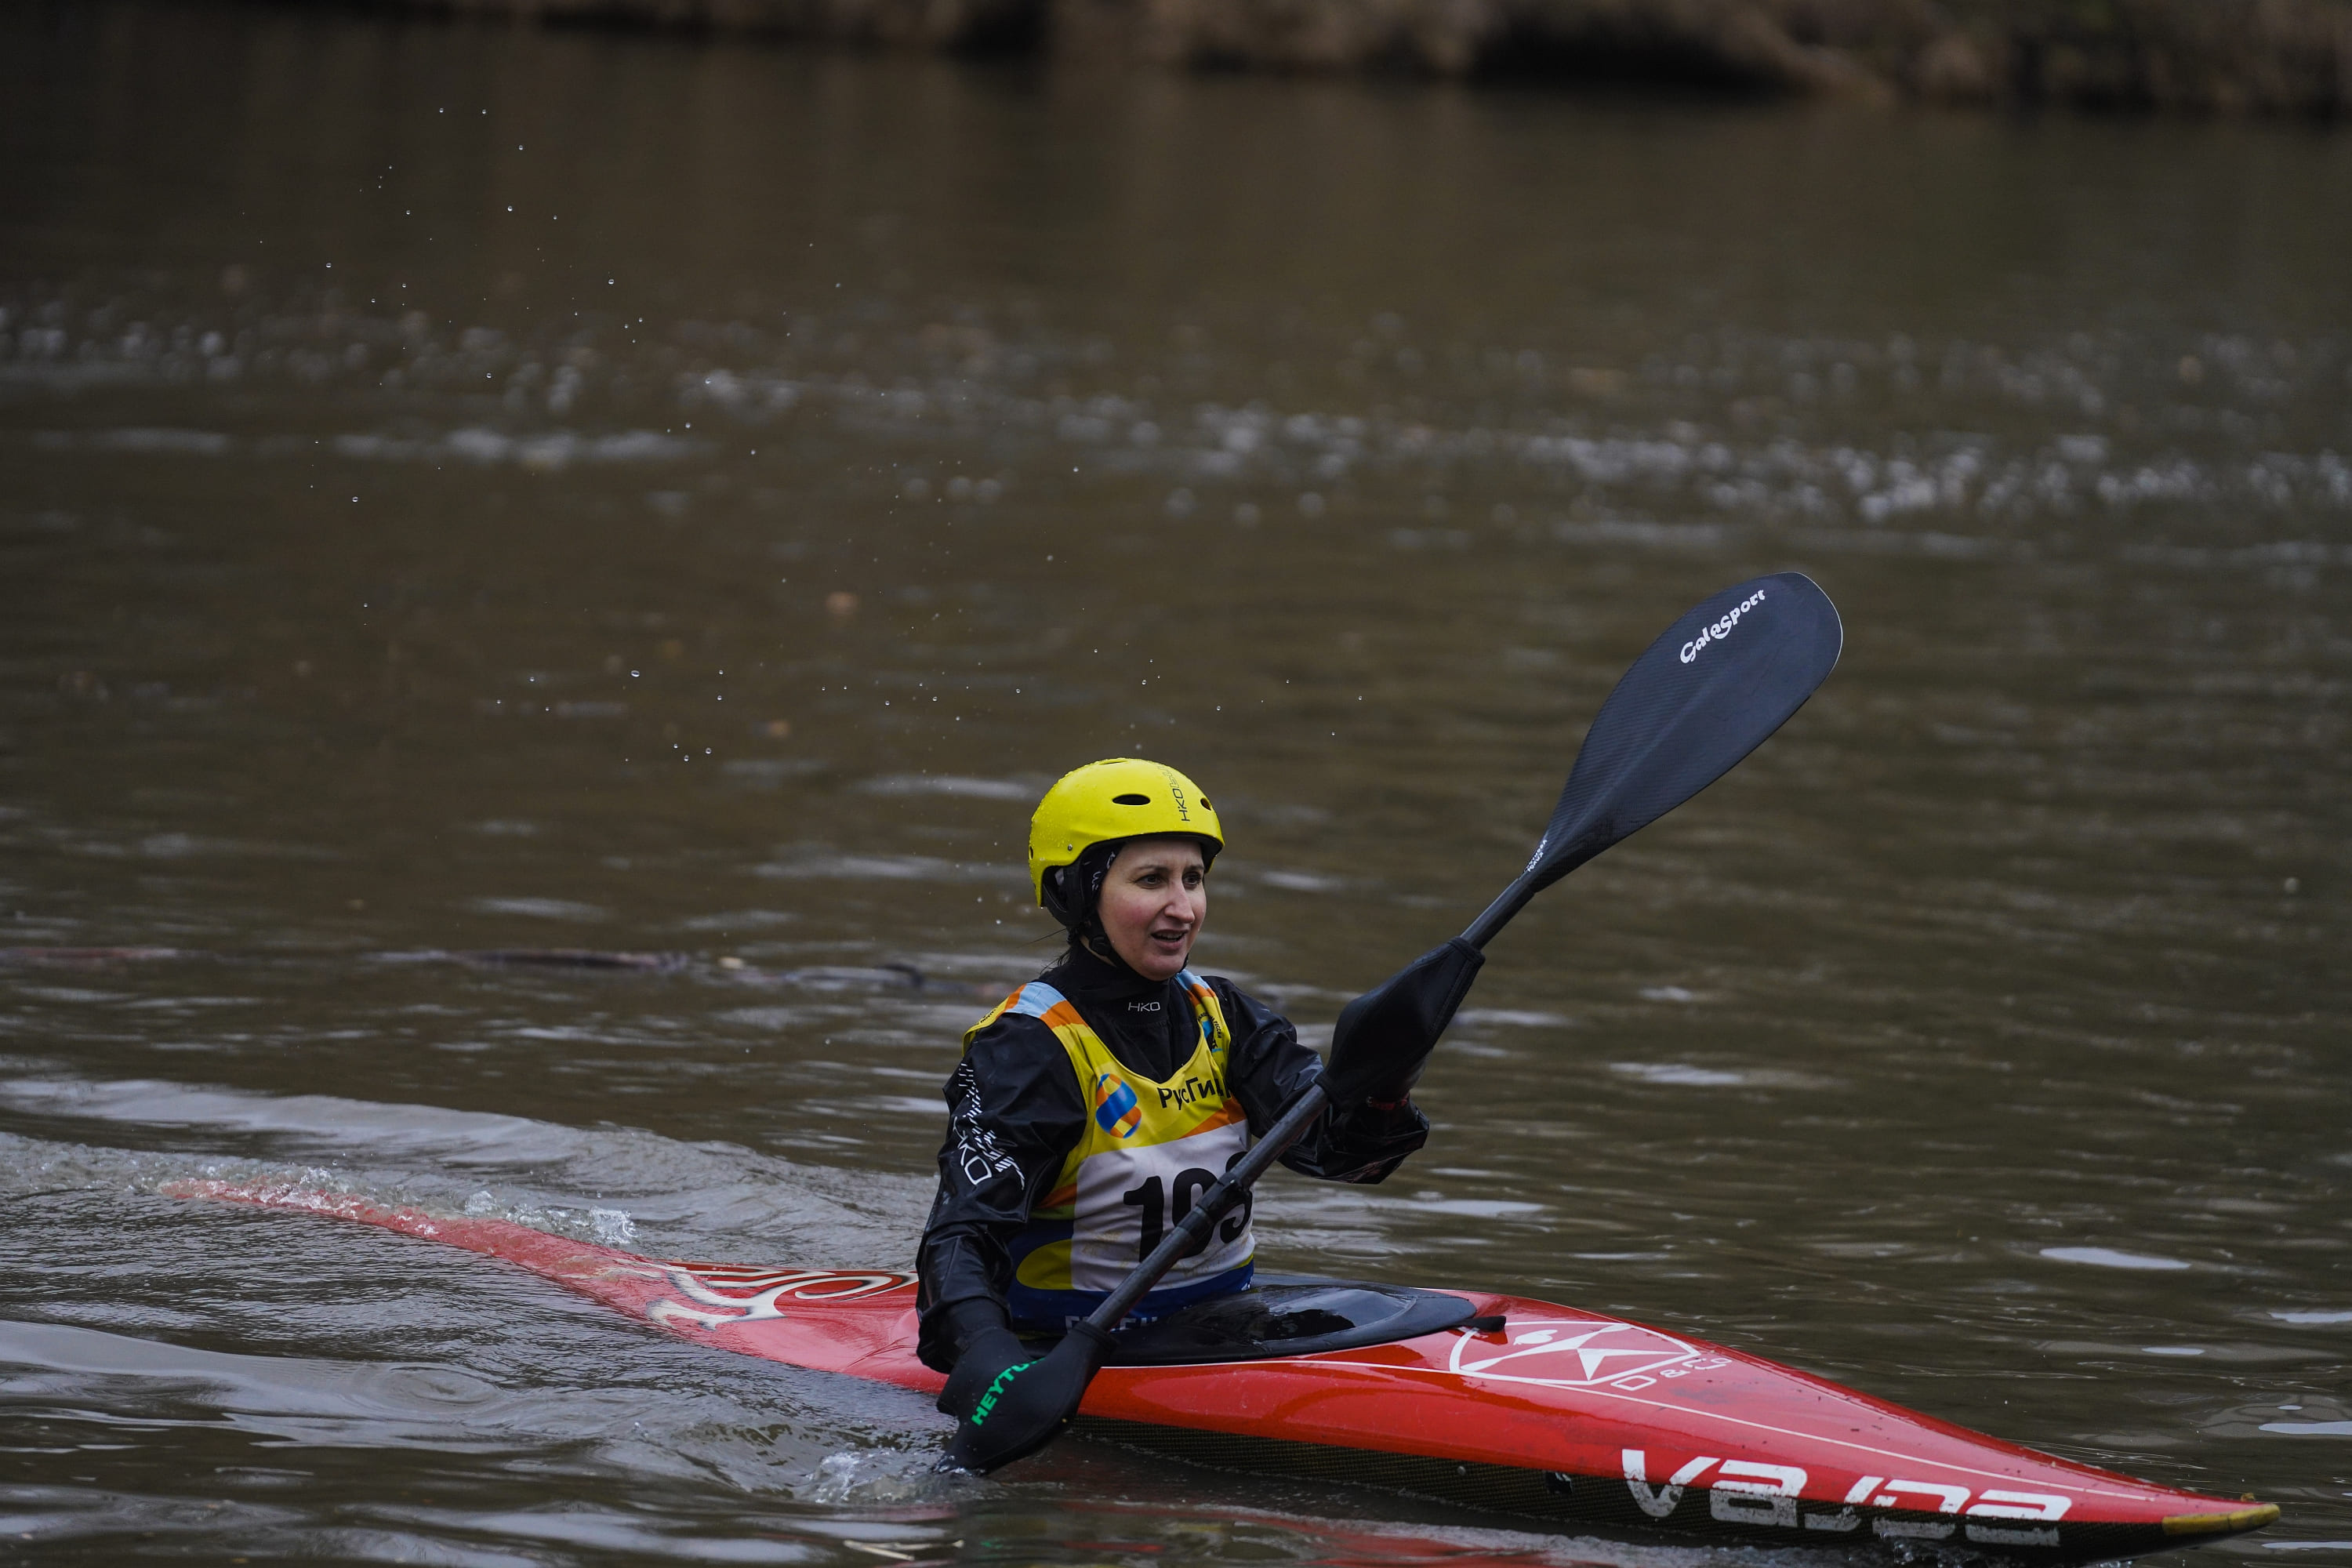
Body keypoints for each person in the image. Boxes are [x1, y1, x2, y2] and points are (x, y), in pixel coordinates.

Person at [917, 757, 1484, 1446]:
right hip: (1066, 1346)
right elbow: (959, 1238)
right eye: (1150, 880)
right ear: (1076, 891)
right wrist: (988, 1362)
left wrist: (1387, 1084)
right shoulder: (1030, 1050)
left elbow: (1339, 1155)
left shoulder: (1224, 1016)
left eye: (1193, 879)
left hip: (1217, 1330)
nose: (1183, 908)